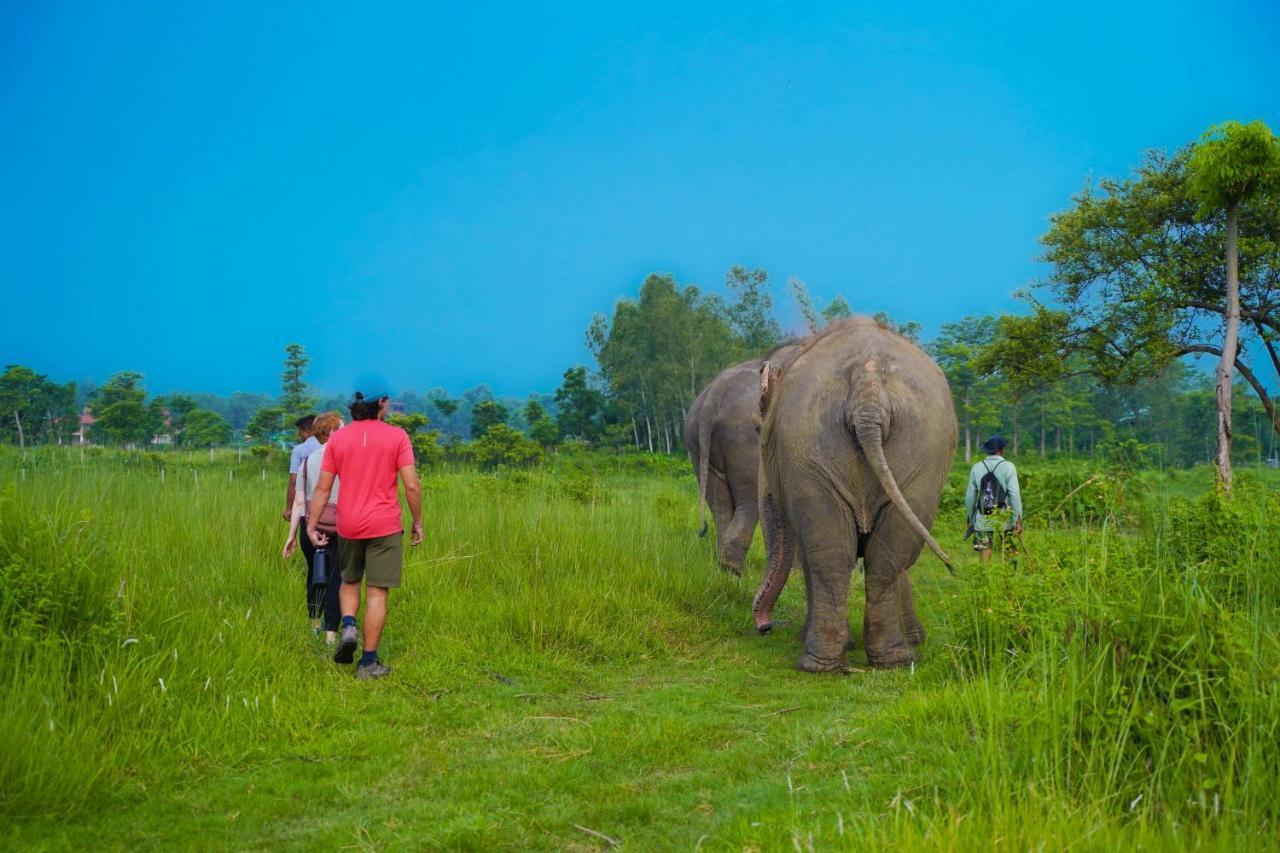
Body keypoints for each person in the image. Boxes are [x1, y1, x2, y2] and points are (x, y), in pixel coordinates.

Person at [307, 391, 423, 680]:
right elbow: (411, 486)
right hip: (384, 525)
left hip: (348, 524)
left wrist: (311, 524)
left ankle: (348, 625)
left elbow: (322, 488)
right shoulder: (397, 437)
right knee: (376, 593)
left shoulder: (338, 439)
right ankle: (368, 663)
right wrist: (417, 521)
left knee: (349, 580)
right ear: (381, 405)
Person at [283, 411, 344, 643]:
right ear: (333, 432)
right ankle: (331, 635)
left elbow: (299, 501)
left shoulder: (308, 461)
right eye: (343, 425)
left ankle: (314, 625)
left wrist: (291, 536)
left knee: (315, 575)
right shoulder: (346, 458)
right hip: (339, 527)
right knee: (336, 578)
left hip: (310, 525)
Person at [964, 435, 1023, 563]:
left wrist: (971, 518)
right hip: (1004, 516)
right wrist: (1017, 519)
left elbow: (970, 497)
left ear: (987, 450)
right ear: (1002, 450)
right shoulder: (1009, 467)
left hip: (982, 517)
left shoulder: (976, 467)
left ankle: (984, 579)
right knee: (1009, 549)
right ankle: (1011, 577)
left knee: (984, 550)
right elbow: (1014, 495)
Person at [284, 415, 320, 521]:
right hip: (329, 507)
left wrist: (289, 508)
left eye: (300, 433)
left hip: (306, 507)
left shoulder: (299, 450)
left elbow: (293, 480)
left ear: (306, 431)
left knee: (307, 536)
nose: (301, 436)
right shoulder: (329, 446)